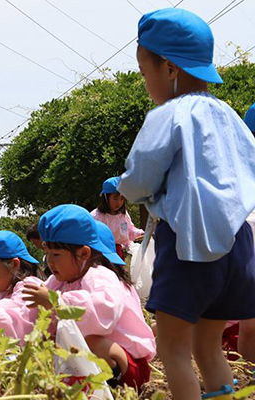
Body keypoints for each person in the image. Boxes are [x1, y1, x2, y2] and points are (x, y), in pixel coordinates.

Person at [117, 9, 255, 398]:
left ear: (169, 67)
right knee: (208, 346)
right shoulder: (228, 113)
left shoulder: (168, 115)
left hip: (190, 243)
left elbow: (139, 177)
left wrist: (140, 194)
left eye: (146, 73)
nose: (146, 83)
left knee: (173, 349)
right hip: (237, 244)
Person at [22, 204, 156, 390]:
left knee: (91, 341)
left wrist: (56, 302)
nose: (50, 262)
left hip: (130, 367)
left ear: (84, 253)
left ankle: (111, 384)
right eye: (47, 254)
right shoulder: (58, 281)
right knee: (49, 338)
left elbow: (102, 311)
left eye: (57, 254)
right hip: (86, 364)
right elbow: (28, 314)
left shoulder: (100, 276)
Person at [90, 177, 143, 261]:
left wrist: (140, 233)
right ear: (106, 197)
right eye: (115, 198)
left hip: (118, 253)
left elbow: (128, 230)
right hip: (101, 254)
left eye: (122, 199)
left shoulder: (123, 215)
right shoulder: (96, 216)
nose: (119, 202)